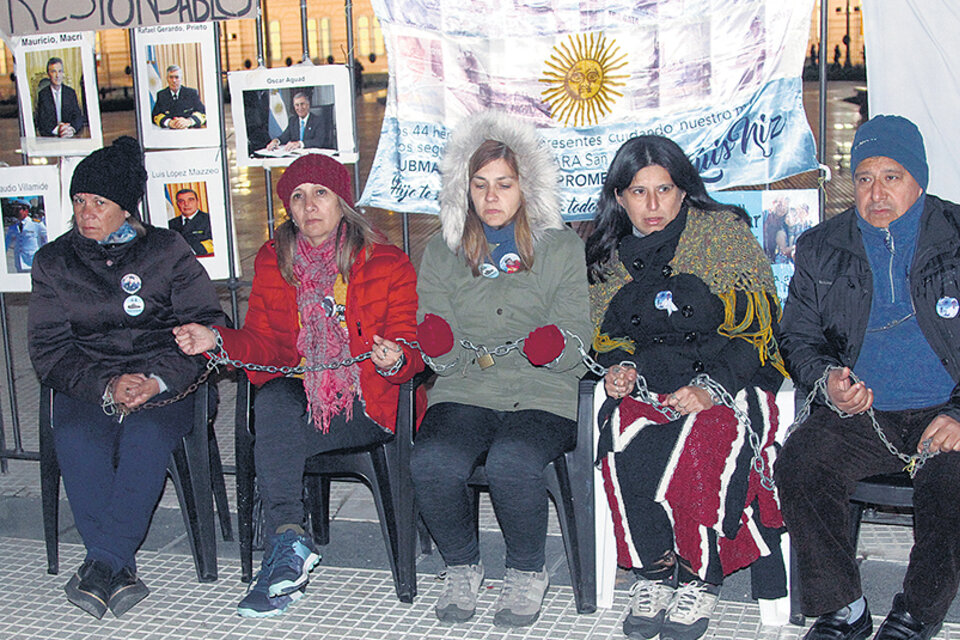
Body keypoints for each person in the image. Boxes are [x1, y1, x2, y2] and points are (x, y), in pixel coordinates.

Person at [173, 154, 424, 618]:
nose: (310, 206)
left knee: (274, 438)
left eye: (320, 194)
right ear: (288, 207)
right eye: (298, 196)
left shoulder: (387, 262)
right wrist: (217, 338)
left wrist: (395, 358)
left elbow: (411, 346)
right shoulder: (275, 258)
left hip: (366, 399)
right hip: (302, 394)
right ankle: (289, 536)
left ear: (342, 201)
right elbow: (268, 346)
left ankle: (285, 546)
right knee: (274, 402)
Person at [585, 135, 787, 640]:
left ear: (684, 189)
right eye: (637, 192)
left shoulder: (722, 233)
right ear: (619, 196)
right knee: (625, 439)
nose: (652, 206)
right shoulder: (606, 256)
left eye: (664, 189)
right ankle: (654, 570)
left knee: (703, 441)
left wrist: (712, 387)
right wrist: (619, 369)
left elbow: (759, 329)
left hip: (729, 377)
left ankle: (699, 576)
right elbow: (606, 337)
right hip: (651, 382)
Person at [776, 115, 960, 640]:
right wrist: (827, 378)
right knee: (801, 462)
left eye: (891, 177)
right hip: (864, 411)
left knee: (952, 484)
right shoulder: (820, 246)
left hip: (944, 408)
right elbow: (798, 337)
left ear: (918, 180)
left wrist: (959, 413)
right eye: (863, 179)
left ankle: (917, 614)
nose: (876, 192)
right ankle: (843, 608)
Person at [27, 136, 224, 620]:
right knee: (75, 435)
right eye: (79, 201)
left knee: (145, 435)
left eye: (99, 202)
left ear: (126, 209)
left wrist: (155, 380)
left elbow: (207, 326)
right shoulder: (54, 262)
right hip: (87, 381)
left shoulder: (166, 250)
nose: (86, 212)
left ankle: (102, 563)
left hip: (168, 380)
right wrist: (105, 385)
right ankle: (116, 566)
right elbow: (49, 351)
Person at [411, 110, 591, 627]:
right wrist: (438, 347)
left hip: (542, 390)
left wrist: (555, 345)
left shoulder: (561, 248)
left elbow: (579, 343)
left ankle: (526, 571)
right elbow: (438, 349)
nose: (492, 196)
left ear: (525, 187)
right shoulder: (443, 254)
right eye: (481, 184)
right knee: (432, 461)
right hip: (467, 388)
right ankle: (462, 565)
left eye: (504, 184)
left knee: (514, 459)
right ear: (463, 189)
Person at [266, 91, 336, 151]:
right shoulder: (293, 121)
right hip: (295, 156)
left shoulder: (318, 120)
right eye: (297, 105)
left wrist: (299, 144)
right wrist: (276, 141)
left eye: (302, 104)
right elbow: (284, 137)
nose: (300, 108)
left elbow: (319, 141)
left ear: (308, 105)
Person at [34, 57, 84, 138]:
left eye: (60, 71)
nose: (57, 75)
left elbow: (78, 117)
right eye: (53, 72)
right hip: (50, 138)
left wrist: (71, 129)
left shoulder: (70, 93)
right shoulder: (43, 95)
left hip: (69, 136)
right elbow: (42, 121)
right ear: (48, 74)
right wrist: (58, 130)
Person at [151, 65, 206, 130]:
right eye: (171, 77)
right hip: (169, 133)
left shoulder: (191, 93)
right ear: (167, 79)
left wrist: (189, 121)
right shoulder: (162, 95)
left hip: (189, 131)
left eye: (177, 77)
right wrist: (169, 122)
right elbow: (155, 116)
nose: (174, 81)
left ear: (181, 79)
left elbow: (202, 113)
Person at [168, 188, 212, 256]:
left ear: (197, 201)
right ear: (177, 204)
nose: (186, 204)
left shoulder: (210, 220)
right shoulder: (170, 224)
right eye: (181, 201)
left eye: (190, 200)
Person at [5, 199, 47, 272]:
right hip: (19, 262)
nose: (15, 212)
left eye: (18, 209)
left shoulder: (36, 224)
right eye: (14, 209)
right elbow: (6, 243)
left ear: (26, 211)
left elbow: (46, 239)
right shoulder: (13, 227)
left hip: (32, 262)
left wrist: (43, 254)